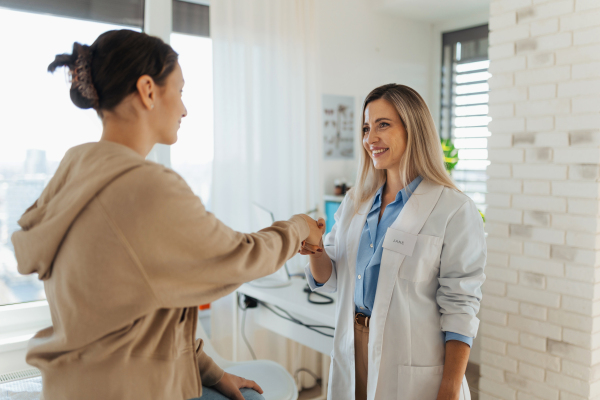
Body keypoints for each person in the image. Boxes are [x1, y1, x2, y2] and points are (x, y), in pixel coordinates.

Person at [11, 29, 323, 400]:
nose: (185, 108)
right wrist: (300, 226)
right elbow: (240, 257)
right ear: (148, 90)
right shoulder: (143, 188)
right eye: (180, 91)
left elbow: (139, 311)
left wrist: (210, 372)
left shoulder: (74, 172)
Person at [301, 84, 486, 400]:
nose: (370, 138)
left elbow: (461, 307)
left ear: (413, 128)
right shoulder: (355, 201)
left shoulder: (454, 209)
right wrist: (315, 249)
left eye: (382, 125)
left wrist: (451, 387)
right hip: (354, 342)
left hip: (412, 360)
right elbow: (329, 278)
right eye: (365, 128)